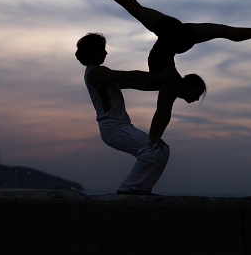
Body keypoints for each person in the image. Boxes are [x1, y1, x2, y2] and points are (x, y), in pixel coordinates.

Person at [75, 32, 205, 195]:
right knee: (152, 150)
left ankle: (142, 188)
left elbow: (134, 83)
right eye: (103, 49)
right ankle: (128, 188)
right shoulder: (95, 73)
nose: (106, 53)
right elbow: (130, 75)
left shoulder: (103, 75)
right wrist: (161, 75)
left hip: (120, 127)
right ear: (93, 51)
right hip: (112, 128)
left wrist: (169, 85)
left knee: (162, 151)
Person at [80, 0, 251, 73]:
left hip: (176, 36)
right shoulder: (163, 71)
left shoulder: (161, 68)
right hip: (177, 35)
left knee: (222, 31)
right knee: (222, 31)